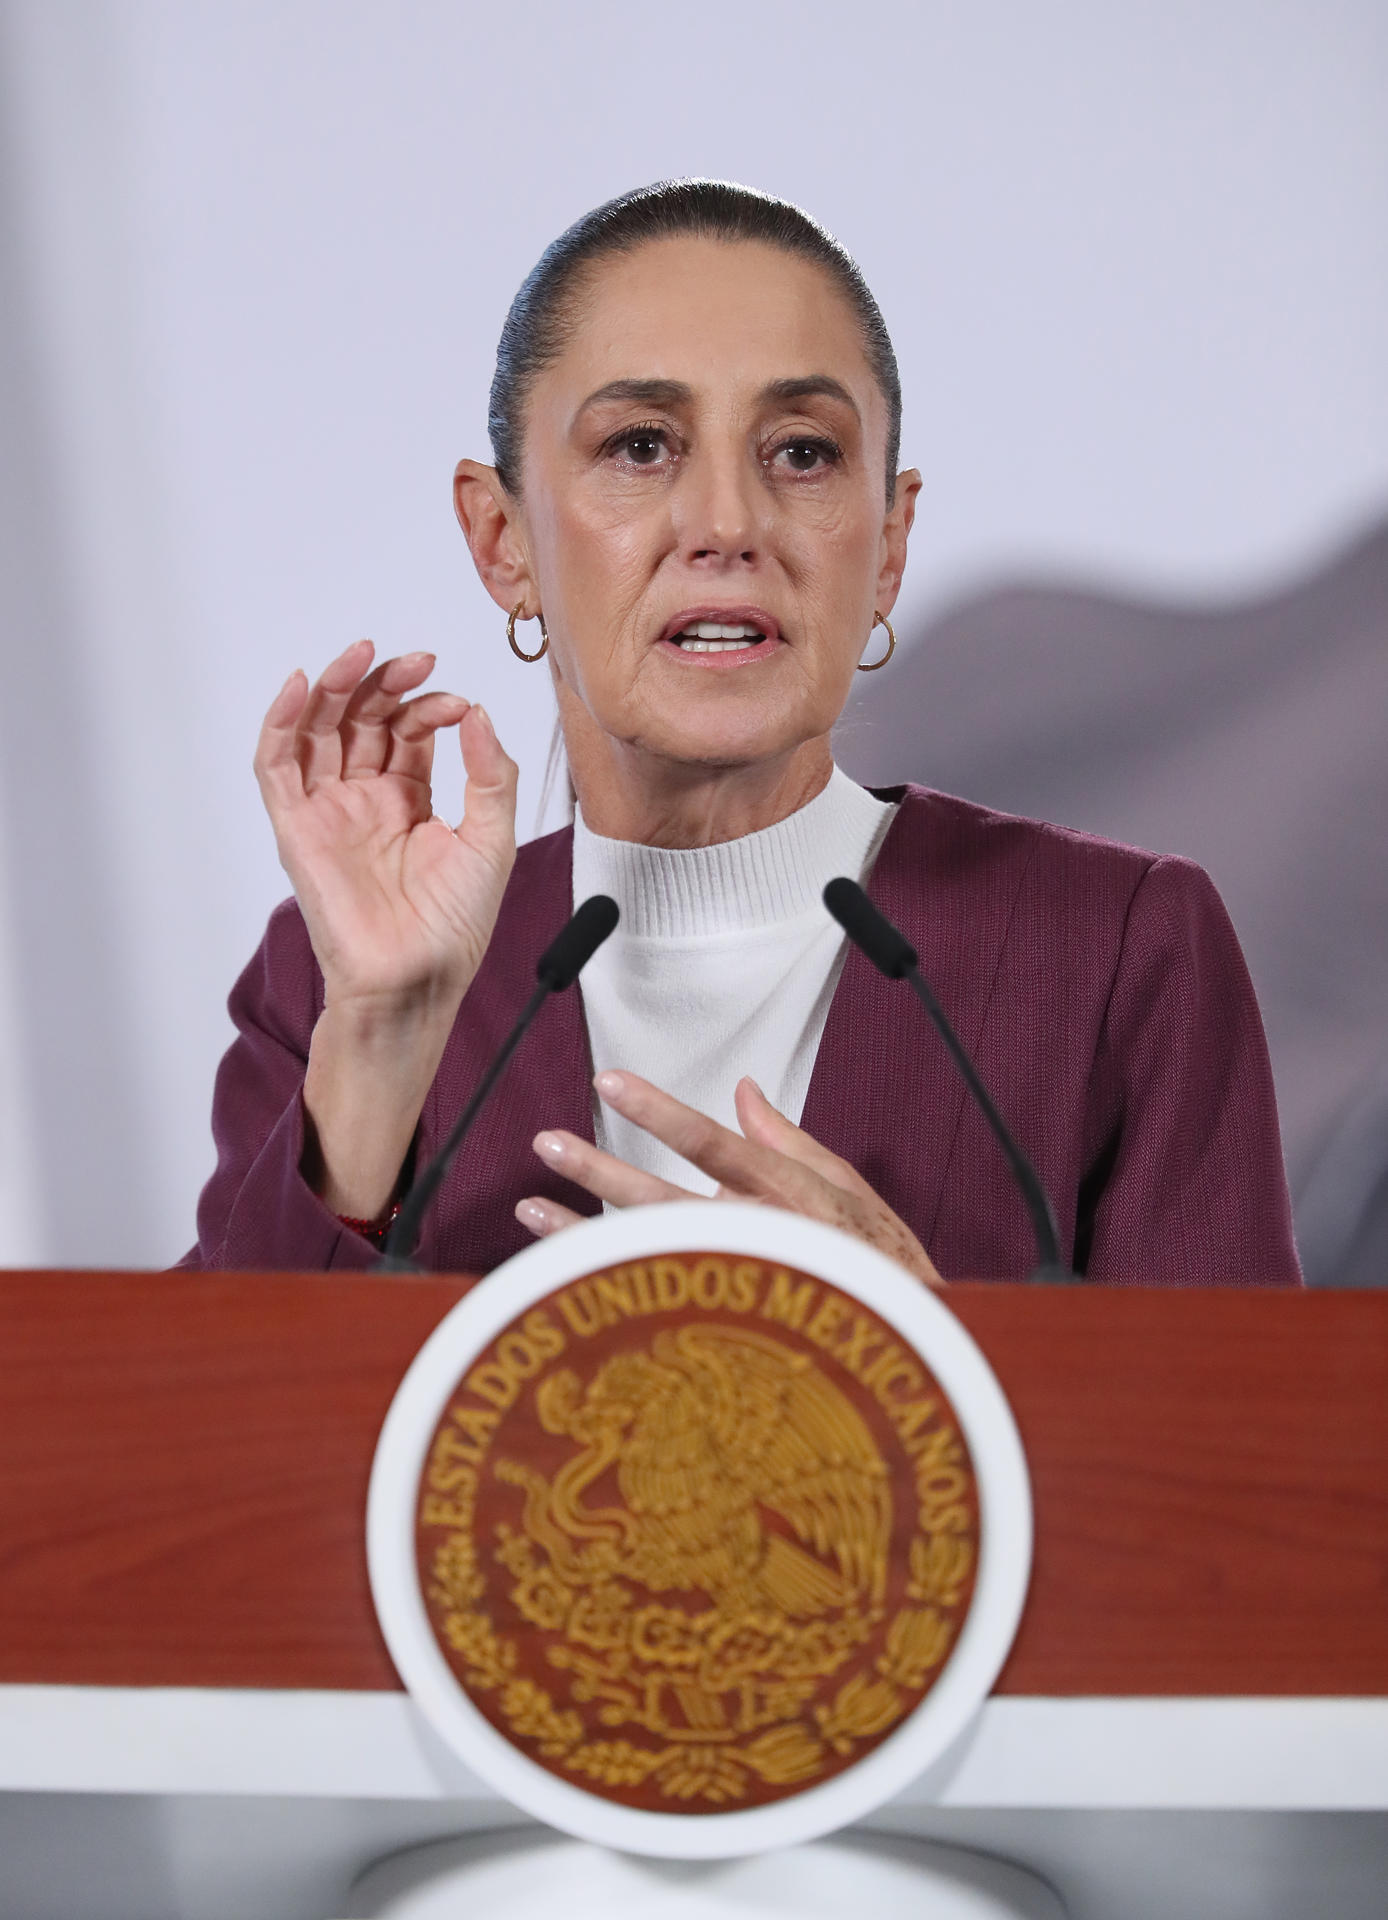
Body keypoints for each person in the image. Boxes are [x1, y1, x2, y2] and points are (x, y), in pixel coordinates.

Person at [181, 180, 1301, 1285]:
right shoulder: (333, 979)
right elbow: (201, 1449)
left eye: (801, 452)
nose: (727, 524)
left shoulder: (1113, 953)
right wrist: (378, 1037)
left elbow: (1246, 1457)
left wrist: (927, 1345)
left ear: (889, 543)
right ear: (500, 538)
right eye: (639, 445)